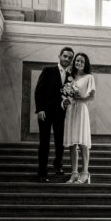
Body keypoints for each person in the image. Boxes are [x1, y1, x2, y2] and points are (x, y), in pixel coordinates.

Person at [34, 46, 74, 183]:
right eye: (65, 56)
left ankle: (58, 164)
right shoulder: (48, 70)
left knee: (60, 142)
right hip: (45, 113)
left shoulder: (71, 77)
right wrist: (40, 109)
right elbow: (39, 91)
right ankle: (42, 173)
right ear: (59, 56)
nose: (67, 59)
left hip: (61, 114)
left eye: (70, 57)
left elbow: (69, 96)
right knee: (44, 143)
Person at [63, 52, 96, 184]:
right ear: (74, 62)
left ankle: (85, 173)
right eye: (77, 61)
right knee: (72, 143)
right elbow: (65, 94)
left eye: (82, 61)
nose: (79, 63)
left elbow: (92, 96)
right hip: (71, 110)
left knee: (83, 143)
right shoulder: (70, 77)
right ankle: (74, 173)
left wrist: (81, 99)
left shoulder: (89, 77)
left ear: (85, 64)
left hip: (81, 109)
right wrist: (66, 99)